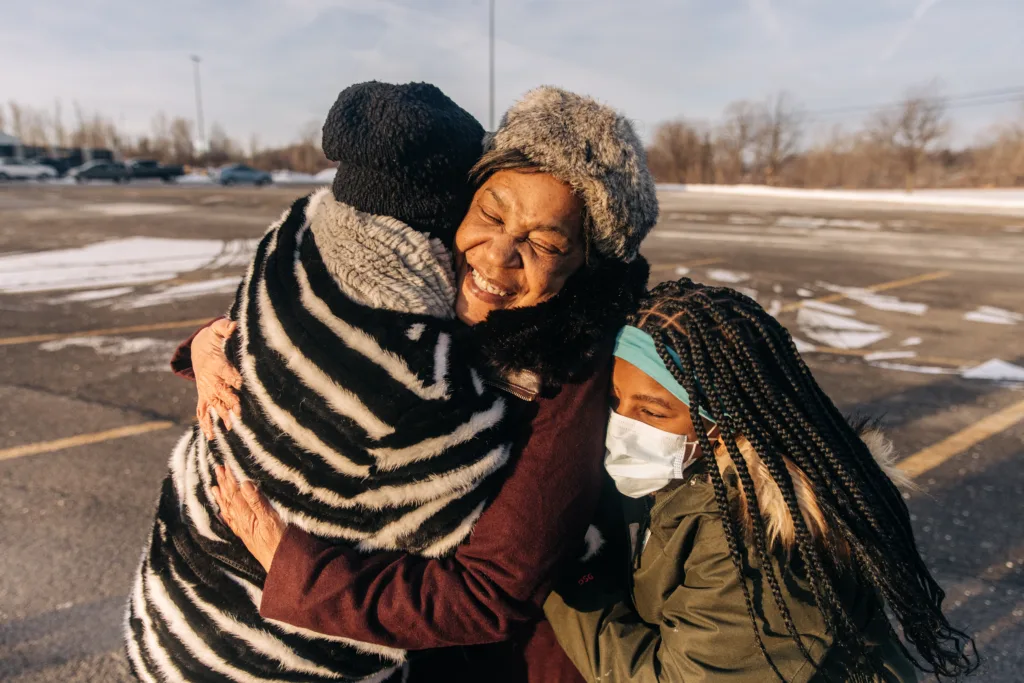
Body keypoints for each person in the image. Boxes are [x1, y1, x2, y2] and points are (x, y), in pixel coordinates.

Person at [172, 85, 657, 683]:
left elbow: (489, 594)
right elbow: (317, 311)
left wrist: (293, 570)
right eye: (492, 214)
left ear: (586, 263)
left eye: (544, 243)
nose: (499, 255)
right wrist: (213, 342)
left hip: (490, 664)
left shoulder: (564, 375)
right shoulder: (429, 275)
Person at [542, 278, 979, 682]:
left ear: (723, 418)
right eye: (615, 400)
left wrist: (561, 580)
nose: (621, 423)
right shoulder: (688, 463)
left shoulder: (763, 538)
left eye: (653, 411)